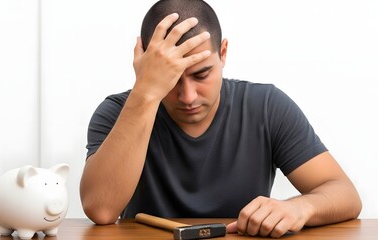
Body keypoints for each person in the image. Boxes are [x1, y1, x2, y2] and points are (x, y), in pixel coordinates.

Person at [80, 0, 362, 237]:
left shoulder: (266, 106)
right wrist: (145, 92)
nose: (188, 96)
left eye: (201, 74)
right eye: (171, 79)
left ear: (223, 53)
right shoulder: (118, 112)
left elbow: (344, 194)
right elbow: (101, 210)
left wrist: (300, 207)